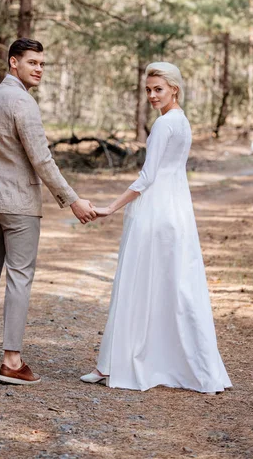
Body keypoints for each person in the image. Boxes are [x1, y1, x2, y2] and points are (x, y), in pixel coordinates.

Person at [81, 62, 232, 394]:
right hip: (177, 211)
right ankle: (184, 364)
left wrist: (110, 207)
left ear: (173, 89)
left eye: (158, 89)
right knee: (174, 287)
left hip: (155, 214)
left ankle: (115, 364)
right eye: (148, 89)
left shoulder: (165, 125)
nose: (151, 95)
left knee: (139, 285)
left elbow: (148, 178)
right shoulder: (182, 121)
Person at [0, 37, 96, 385]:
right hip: (19, 205)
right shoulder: (23, 102)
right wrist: (72, 199)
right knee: (19, 277)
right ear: (13, 63)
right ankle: (11, 361)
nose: (38, 69)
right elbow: (41, 158)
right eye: (32, 63)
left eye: (41, 64)